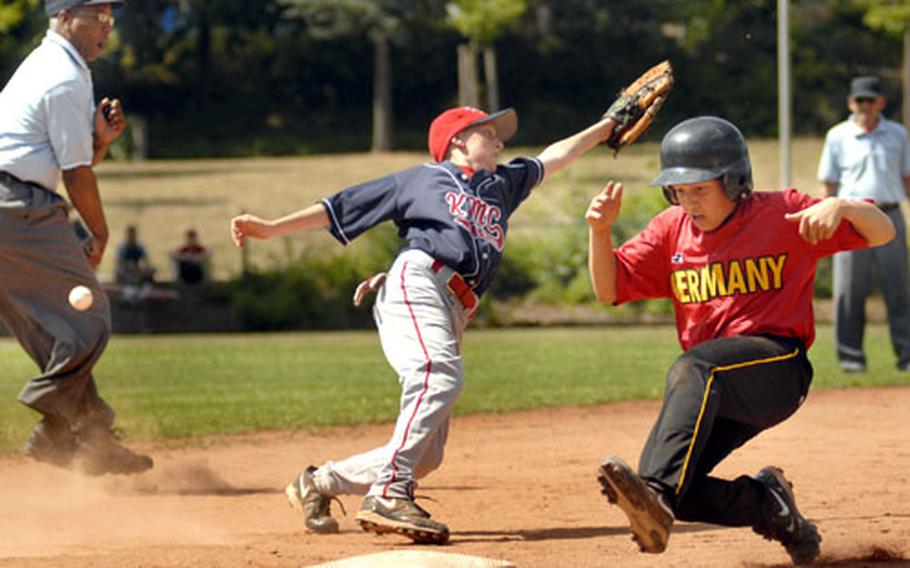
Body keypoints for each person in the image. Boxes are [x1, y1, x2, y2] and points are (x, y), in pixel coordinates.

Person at [231, 105, 621, 544]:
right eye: (488, 133)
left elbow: (556, 156)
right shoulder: (423, 178)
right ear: (457, 140)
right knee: (439, 375)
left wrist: (606, 126)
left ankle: (318, 483)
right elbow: (340, 206)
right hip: (421, 281)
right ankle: (390, 492)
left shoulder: (502, 187)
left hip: (455, 306)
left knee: (428, 454)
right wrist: (270, 229)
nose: (500, 142)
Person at [586, 117, 894, 564]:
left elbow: (883, 231)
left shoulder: (783, 215)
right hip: (717, 389)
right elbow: (609, 289)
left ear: (734, 181)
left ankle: (651, 492)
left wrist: (842, 206)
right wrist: (599, 232)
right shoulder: (671, 229)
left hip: (778, 369)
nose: (688, 202)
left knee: (695, 367)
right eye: (678, 191)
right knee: (683, 492)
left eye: (700, 189)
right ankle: (772, 507)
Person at [0, 0, 153, 475]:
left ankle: (93, 439)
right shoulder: (63, 78)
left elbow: (70, 161)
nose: (107, 26)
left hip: (12, 203)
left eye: (110, 17)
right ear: (64, 16)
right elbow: (76, 174)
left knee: (55, 332)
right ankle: (53, 429)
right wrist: (100, 233)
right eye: (97, 15)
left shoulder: (57, 65)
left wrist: (101, 141)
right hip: (17, 208)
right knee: (90, 323)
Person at [817, 75, 910, 373]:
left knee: (898, 289)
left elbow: (907, 178)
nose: (865, 106)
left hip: (890, 215)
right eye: (860, 100)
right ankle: (851, 358)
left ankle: (906, 356)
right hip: (849, 219)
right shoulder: (837, 136)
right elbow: (829, 184)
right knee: (848, 291)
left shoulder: (898, 134)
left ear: (881, 102)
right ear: (850, 102)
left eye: (871, 100)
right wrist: (826, 222)